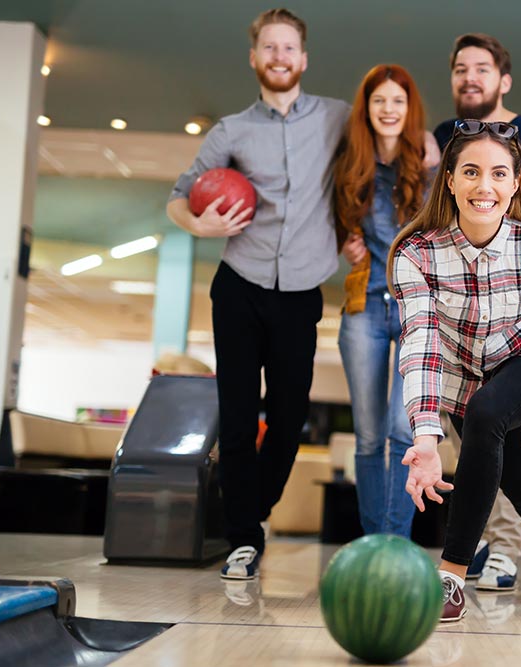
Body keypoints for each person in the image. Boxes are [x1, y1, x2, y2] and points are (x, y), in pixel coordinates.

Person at [166, 8, 350, 580]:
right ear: (254, 58)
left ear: (303, 58)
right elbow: (178, 196)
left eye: (288, 47)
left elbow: (391, 145)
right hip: (239, 283)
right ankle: (244, 537)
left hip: (301, 289)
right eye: (268, 47)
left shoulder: (339, 119)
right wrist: (199, 225)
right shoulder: (230, 130)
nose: (278, 56)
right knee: (239, 416)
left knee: (291, 412)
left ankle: (253, 510)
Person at [389, 119, 521, 623]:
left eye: (500, 174)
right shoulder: (416, 254)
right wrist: (427, 437)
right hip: (462, 376)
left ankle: (451, 576)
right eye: (472, 172)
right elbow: (421, 345)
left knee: (485, 412)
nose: (486, 186)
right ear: (450, 181)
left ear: (516, 183)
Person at [432, 32, 521, 592]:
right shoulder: (447, 139)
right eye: (461, 68)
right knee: (476, 438)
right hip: (465, 328)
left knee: (513, 433)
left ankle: (505, 550)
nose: (471, 78)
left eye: (482, 69)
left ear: (503, 80)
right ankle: (490, 543)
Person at [333, 64, 433, 537]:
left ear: (410, 109)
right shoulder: (352, 163)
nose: (389, 110)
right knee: (370, 436)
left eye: (398, 101)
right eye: (380, 101)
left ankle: (397, 542)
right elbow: (331, 220)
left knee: (403, 430)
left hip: (417, 310)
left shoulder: (429, 164)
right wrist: (345, 240)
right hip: (366, 305)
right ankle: (374, 543)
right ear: (366, 109)